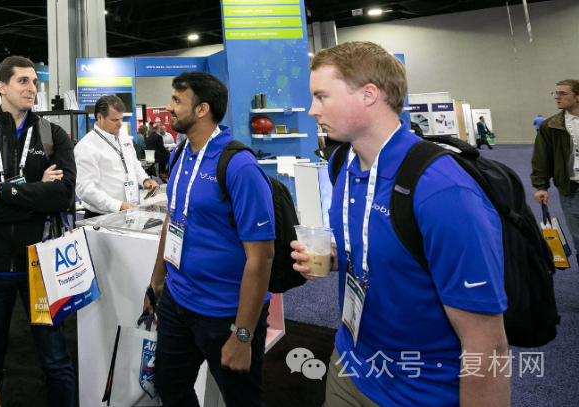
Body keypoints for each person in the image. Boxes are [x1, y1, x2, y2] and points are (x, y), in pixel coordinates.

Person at [291, 41, 507, 407]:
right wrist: (335, 256)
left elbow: (487, 343)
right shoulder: (343, 164)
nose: (312, 110)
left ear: (369, 95)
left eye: (322, 96)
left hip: (420, 391)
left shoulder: (442, 190)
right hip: (350, 363)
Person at [139, 71, 275, 407]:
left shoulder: (239, 165)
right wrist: (156, 283)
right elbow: (173, 219)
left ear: (202, 110)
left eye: (177, 100)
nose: (168, 107)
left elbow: (261, 256)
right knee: (170, 389)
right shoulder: (180, 153)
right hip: (178, 301)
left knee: (242, 401)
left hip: (224, 312)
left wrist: (242, 334)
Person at [0, 55, 77, 406]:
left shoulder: (53, 136)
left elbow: (63, 196)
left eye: (35, 82)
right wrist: (36, 194)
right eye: (23, 81)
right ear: (2, 86)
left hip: (40, 265)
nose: (32, 88)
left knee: (56, 359)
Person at [75, 95, 159, 217]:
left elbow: (133, 164)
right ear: (99, 117)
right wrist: (117, 205)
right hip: (102, 216)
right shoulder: (86, 146)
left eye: (121, 119)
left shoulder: (124, 138)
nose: (120, 124)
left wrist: (145, 180)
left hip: (129, 211)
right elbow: (85, 189)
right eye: (114, 120)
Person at [532, 79, 579, 246]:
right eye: (556, 93)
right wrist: (541, 186)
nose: (557, 97)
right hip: (572, 189)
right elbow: (541, 158)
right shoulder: (551, 126)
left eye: (563, 93)